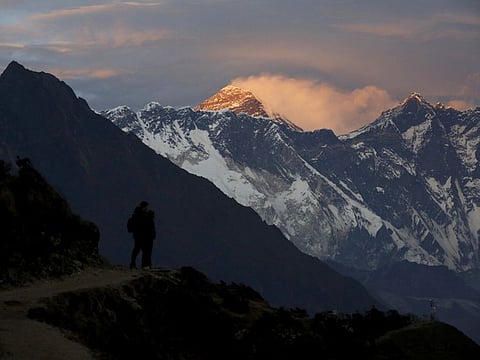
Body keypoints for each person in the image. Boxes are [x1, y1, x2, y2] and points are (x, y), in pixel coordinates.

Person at [129, 201, 156, 269]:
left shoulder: (143, 215)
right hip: (141, 236)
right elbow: (145, 226)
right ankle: (142, 264)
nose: (147, 208)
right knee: (140, 250)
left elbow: (150, 226)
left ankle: (145, 264)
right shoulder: (139, 215)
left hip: (144, 236)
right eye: (146, 207)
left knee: (143, 250)